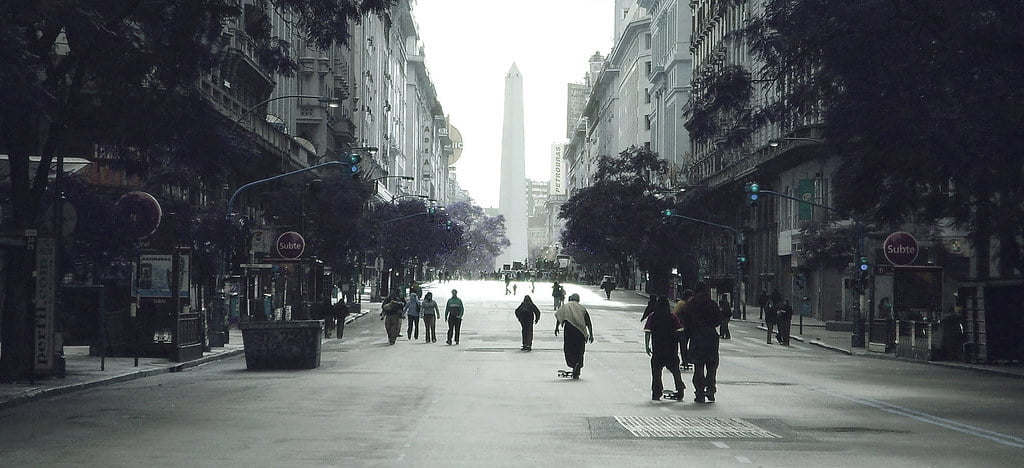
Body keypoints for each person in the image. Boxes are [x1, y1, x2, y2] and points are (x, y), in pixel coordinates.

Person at [681, 282, 722, 402]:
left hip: (696, 336)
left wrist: (686, 340)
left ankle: (699, 392)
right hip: (710, 336)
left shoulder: (691, 304)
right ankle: (710, 388)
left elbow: (686, 322)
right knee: (712, 365)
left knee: (698, 366)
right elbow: (718, 320)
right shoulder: (712, 303)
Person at [644, 296, 685, 401]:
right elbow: (680, 331)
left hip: (658, 349)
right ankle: (680, 388)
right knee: (675, 371)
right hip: (671, 349)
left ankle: (656, 391)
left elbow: (647, 332)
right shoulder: (672, 316)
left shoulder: (652, 317)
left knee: (656, 372)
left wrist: (647, 346)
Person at [554, 293, 594, 379]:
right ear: (578, 300)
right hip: (580, 332)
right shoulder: (582, 308)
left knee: (569, 349)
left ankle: (573, 365)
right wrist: (591, 334)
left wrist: (556, 327)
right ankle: (577, 367)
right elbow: (589, 323)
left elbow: (559, 316)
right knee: (579, 350)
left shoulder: (566, 306)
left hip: (569, 331)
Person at [672, 289, 694, 370]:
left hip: (686, 327)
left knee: (683, 345)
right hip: (681, 328)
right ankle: (684, 360)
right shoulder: (682, 303)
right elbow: (674, 314)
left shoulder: (687, 304)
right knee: (682, 345)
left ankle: (686, 360)